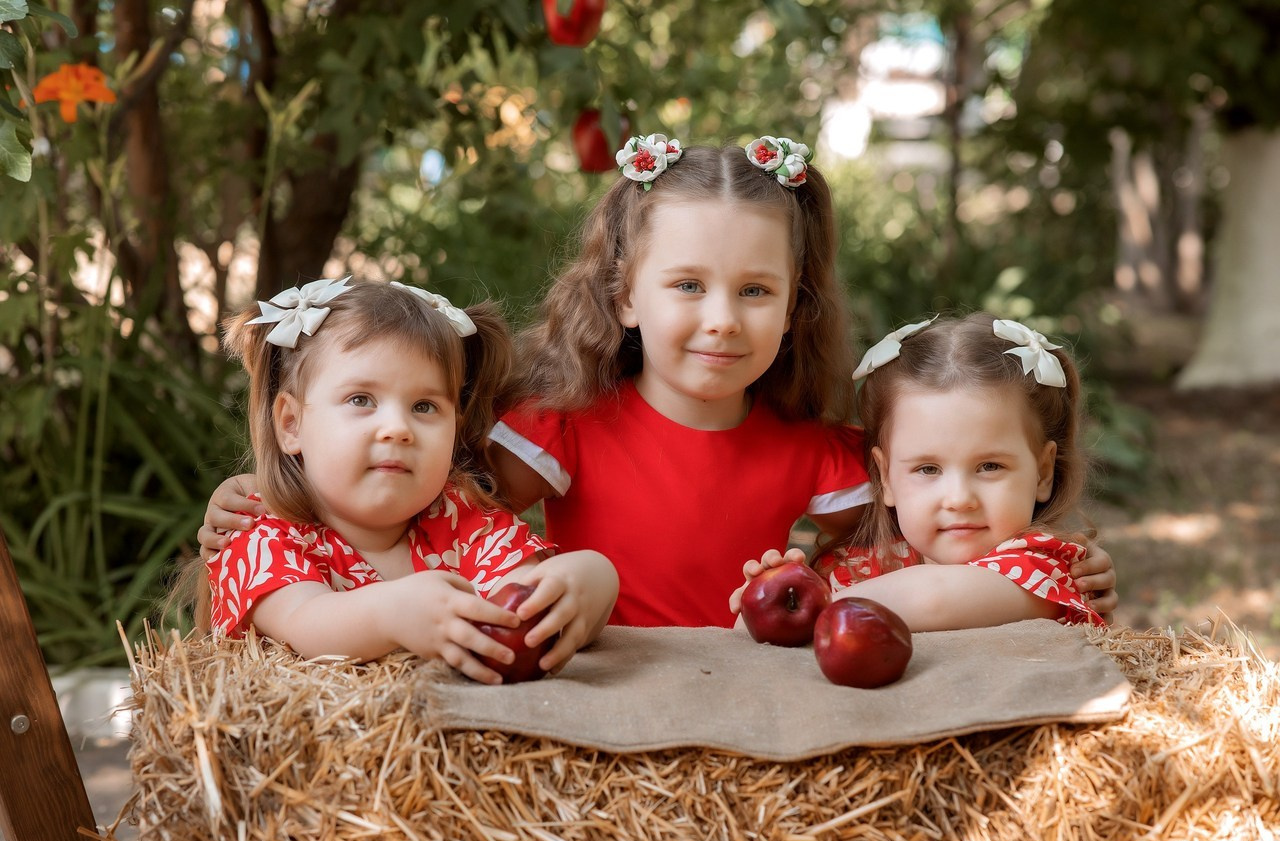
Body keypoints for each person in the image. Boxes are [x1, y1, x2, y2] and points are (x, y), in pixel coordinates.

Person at [198, 134, 1117, 628]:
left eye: (756, 291)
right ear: (625, 294)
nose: (721, 319)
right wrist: (268, 497)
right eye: (687, 286)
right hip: (603, 685)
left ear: (795, 307)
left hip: (749, 701)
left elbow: (912, 531)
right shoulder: (562, 431)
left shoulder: (822, 455)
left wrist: (1044, 564)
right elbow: (416, 492)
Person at [178, 278, 617, 684]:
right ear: (291, 424)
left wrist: (588, 583)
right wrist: (393, 614)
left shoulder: (461, 521)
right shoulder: (260, 534)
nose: (398, 428)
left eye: (425, 407)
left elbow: (522, 591)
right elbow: (305, 622)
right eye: (361, 399)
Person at [731, 313, 1106, 631]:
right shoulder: (863, 568)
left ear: (1042, 473)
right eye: (928, 469)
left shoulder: (1047, 566)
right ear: (886, 477)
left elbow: (935, 598)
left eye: (989, 466)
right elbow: (757, 637)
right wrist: (765, 604)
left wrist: (809, 607)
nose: (959, 499)